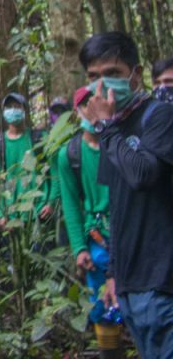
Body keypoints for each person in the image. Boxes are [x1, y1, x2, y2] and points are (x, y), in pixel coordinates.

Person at [77, 32, 173, 359]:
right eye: (93, 77)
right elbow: (117, 207)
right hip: (131, 286)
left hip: (163, 282)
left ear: (136, 73)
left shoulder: (159, 116)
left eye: (112, 74)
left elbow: (143, 175)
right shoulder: (114, 129)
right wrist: (113, 275)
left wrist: (105, 127)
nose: (102, 86)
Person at [61, 86, 124, 359]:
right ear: (78, 111)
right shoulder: (70, 154)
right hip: (97, 237)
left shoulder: (122, 143)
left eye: (95, 100)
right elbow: (70, 204)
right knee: (102, 307)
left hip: (129, 232)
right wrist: (79, 248)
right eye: (85, 103)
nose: (91, 107)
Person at [0, 92, 55, 226]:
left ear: (25, 111)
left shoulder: (40, 137)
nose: (12, 110)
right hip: (10, 214)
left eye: (17, 106)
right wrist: (1, 214)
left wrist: (51, 203)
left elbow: (54, 174)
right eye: (8, 107)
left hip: (39, 210)